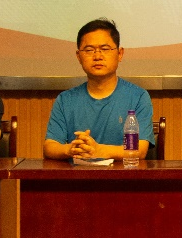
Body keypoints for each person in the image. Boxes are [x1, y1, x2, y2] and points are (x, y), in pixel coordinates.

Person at [43, 18, 154, 160]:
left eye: (105, 49)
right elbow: (50, 146)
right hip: (78, 173)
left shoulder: (138, 97)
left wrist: (99, 150)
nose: (97, 56)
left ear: (120, 54)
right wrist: (70, 149)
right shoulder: (65, 100)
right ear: (78, 56)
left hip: (122, 174)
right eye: (89, 50)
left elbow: (140, 150)